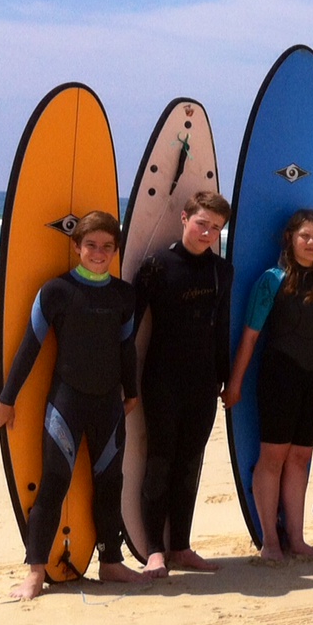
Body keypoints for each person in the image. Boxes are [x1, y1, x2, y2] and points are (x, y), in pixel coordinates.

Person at [0, 211, 149, 600]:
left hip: (109, 402)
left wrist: (131, 392)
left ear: (115, 250)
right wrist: (6, 400)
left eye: (107, 247)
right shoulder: (56, 292)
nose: (99, 252)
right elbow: (30, 347)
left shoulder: (124, 295)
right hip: (66, 401)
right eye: (91, 245)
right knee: (55, 484)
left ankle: (111, 562)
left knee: (111, 483)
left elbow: (126, 348)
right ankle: (35, 571)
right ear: (76, 246)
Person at [224, 210, 313, 561]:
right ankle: (270, 540)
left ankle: (297, 537)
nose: (312, 243)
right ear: (290, 238)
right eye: (305, 236)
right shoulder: (271, 280)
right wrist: (236, 383)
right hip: (279, 376)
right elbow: (250, 334)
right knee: (272, 458)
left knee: (301, 458)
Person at [132, 190, 233, 576]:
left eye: (216, 228)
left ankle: (182, 546)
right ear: (185, 218)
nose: (207, 233)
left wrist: (225, 380)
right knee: (159, 462)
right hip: (162, 380)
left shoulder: (221, 271)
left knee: (191, 464)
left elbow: (221, 327)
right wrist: (126, 382)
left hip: (204, 383)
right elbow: (131, 326)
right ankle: (155, 550)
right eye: (202, 223)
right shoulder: (157, 266)